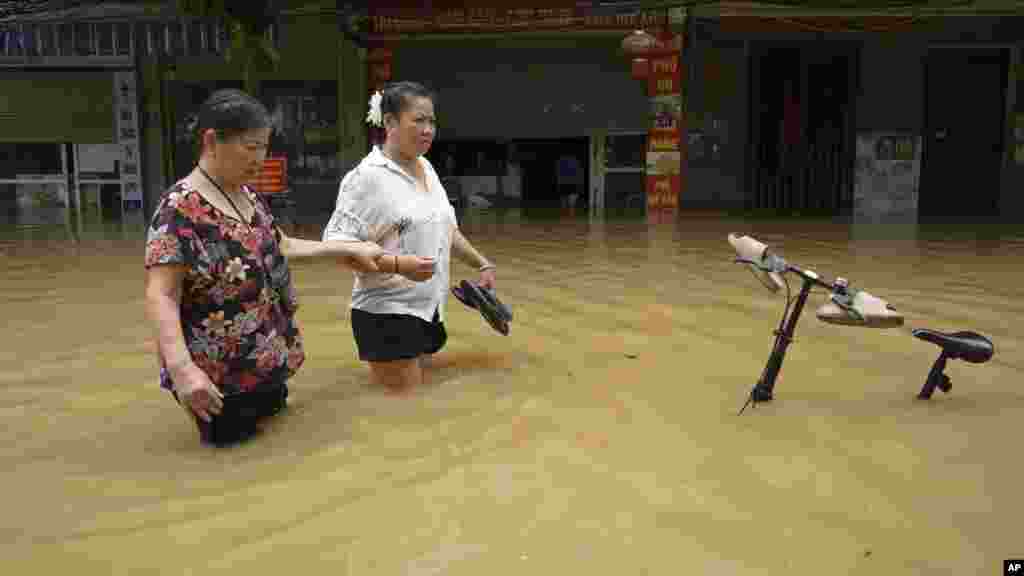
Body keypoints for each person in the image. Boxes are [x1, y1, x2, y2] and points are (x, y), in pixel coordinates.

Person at [143, 88, 436, 446]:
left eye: (263, 147)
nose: (260, 158)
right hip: (219, 380)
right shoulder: (179, 209)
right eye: (250, 147)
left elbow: (282, 245)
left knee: (278, 448)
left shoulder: (246, 195)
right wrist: (183, 370)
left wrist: (346, 248)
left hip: (268, 364)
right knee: (234, 463)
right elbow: (162, 293)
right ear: (211, 141)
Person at [323, 81, 498, 391]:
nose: (428, 129)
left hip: (428, 310)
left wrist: (481, 264)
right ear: (389, 122)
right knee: (402, 417)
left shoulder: (427, 169)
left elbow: (446, 229)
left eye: (432, 121)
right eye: (419, 120)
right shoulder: (365, 179)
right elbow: (336, 249)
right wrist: (398, 265)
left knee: (418, 410)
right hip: (387, 315)